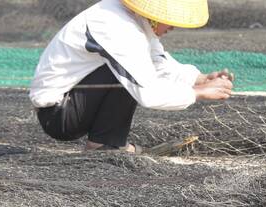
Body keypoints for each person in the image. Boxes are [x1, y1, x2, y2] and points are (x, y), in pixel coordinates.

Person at [29, 0, 234, 153]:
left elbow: (157, 60)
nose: (173, 26)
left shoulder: (131, 18)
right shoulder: (115, 25)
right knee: (129, 72)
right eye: (170, 20)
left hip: (75, 104)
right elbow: (148, 93)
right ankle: (104, 145)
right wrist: (197, 92)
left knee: (134, 67)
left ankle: (106, 142)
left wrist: (198, 79)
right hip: (59, 115)